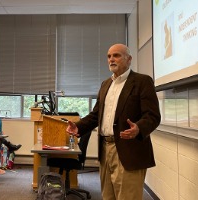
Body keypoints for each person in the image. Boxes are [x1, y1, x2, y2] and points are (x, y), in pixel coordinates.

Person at [66, 44, 161, 200]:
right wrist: (79, 126)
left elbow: (153, 115)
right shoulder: (106, 84)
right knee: (108, 196)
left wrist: (138, 128)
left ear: (129, 59)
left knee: (127, 197)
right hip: (105, 149)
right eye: (109, 56)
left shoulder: (142, 81)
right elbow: (96, 115)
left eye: (116, 55)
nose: (111, 59)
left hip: (128, 149)